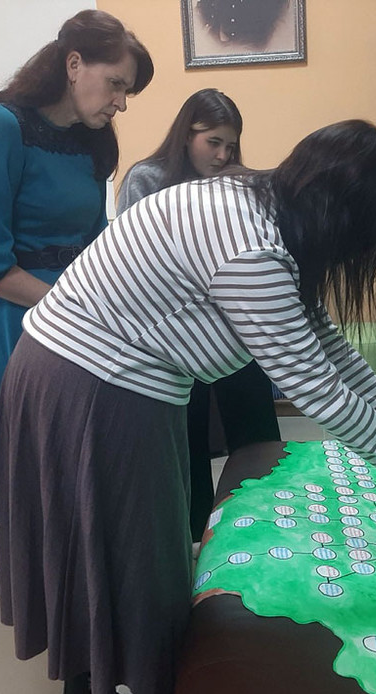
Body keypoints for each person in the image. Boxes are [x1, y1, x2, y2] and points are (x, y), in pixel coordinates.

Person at [0, 120, 376, 694]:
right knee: (141, 557)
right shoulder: (253, 250)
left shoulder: (262, 207)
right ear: (344, 220)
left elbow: (329, 349)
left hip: (83, 372)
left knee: (100, 541)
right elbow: (314, 387)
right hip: (95, 384)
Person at [0, 10, 153, 535]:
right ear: (74, 64)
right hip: (23, 316)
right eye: (116, 84)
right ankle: (42, 576)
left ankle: (90, 569)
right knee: (40, 465)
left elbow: (96, 237)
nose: (121, 103)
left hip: (82, 310)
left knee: (87, 454)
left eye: (127, 92)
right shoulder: (1, 128)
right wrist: (68, 306)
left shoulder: (90, 139)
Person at [117, 89, 280, 541]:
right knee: (186, 444)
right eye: (213, 142)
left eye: (231, 146)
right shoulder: (146, 179)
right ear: (186, 135)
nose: (223, 155)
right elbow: (135, 263)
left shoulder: (235, 185)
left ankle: (263, 522)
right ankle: (194, 539)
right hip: (174, 335)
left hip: (229, 327)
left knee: (257, 429)